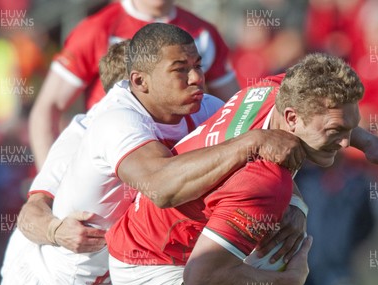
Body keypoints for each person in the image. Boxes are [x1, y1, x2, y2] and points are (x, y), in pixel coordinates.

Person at [0, 23, 305, 285]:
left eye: (197, 66)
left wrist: (294, 202)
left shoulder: (200, 112)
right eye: (180, 71)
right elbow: (30, 215)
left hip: (138, 278)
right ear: (137, 84)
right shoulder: (94, 130)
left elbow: (283, 128)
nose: (197, 79)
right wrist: (57, 230)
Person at [105, 53, 371, 285]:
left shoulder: (268, 92)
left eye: (352, 127)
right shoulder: (265, 184)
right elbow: (201, 278)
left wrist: (371, 141)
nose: (347, 142)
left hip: (154, 238)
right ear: (291, 118)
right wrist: (285, 283)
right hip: (155, 265)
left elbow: (309, 86)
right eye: (337, 131)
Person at [28, 0, 240, 169]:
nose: (193, 76)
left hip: (179, 168)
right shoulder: (97, 29)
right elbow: (48, 108)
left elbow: (236, 107)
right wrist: (49, 185)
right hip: (113, 168)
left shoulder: (203, 33)